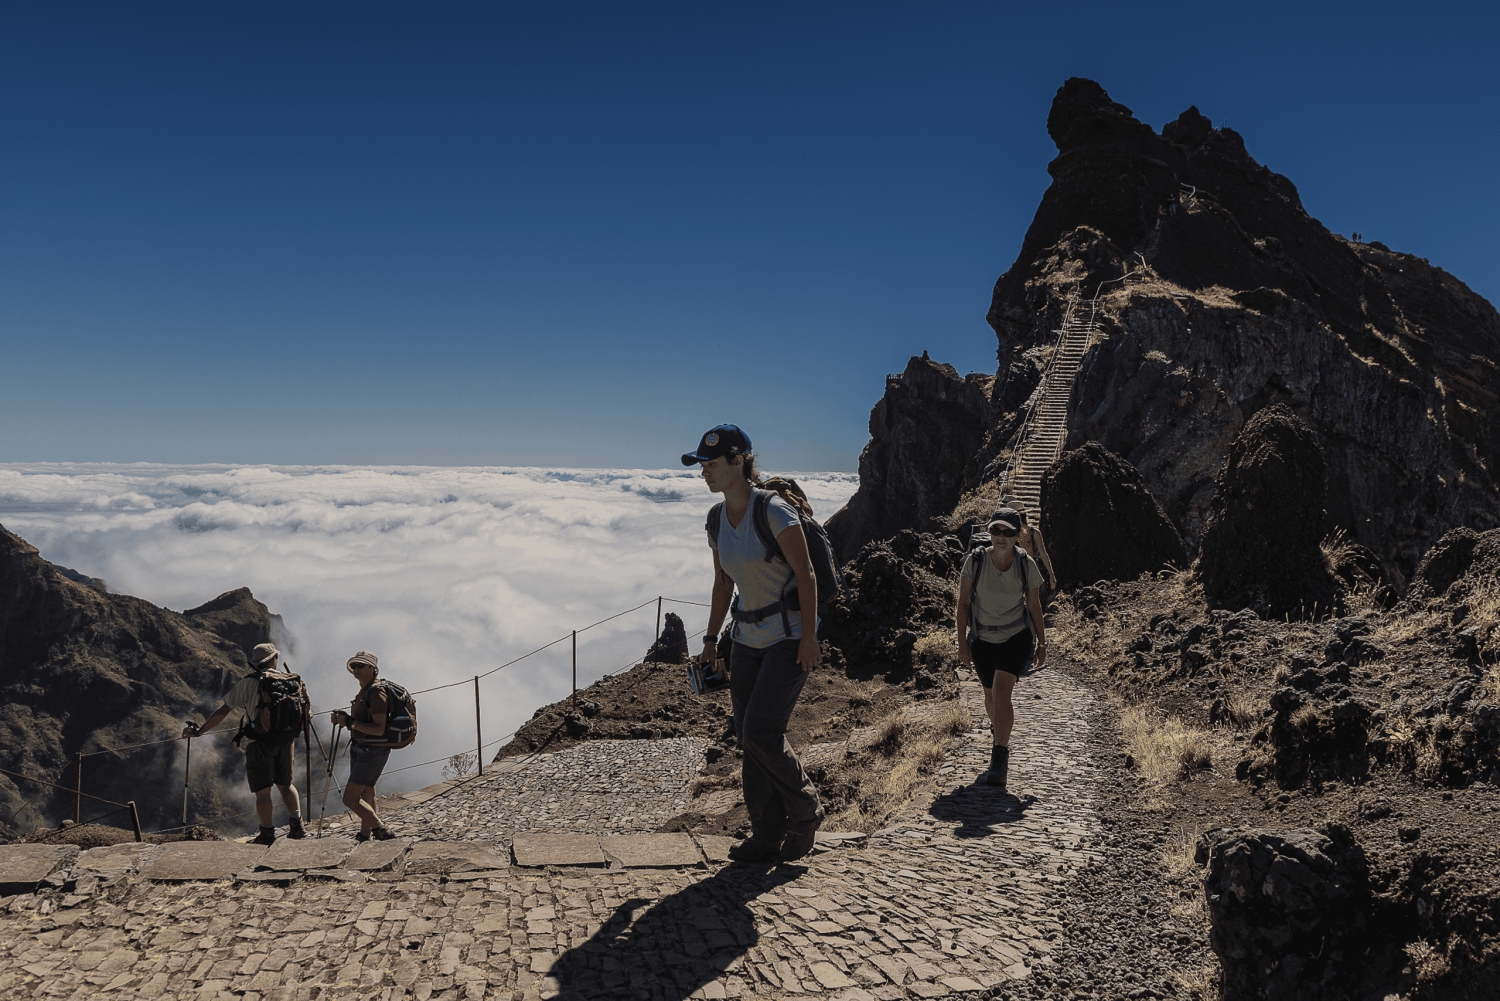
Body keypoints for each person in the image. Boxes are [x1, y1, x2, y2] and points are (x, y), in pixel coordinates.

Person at [685, 424, 824, 864]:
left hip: (787, 637)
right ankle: (766, 834)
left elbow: (806, 574)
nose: (704, 471)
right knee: (749, 739)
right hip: (745, 639)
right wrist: (711, 640)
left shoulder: (774, 511)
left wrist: (809, 637)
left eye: (711, 463)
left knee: (762, 733)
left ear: (738, 461)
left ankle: (805, 812)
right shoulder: (716, 519)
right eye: (701, 464)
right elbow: (722, 582)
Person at [955, 509, 1046, 793]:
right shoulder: (975, 561)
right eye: (996, 530)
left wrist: (1042, 643)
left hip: (1016, 636)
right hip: (982, 638)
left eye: (1008, 532)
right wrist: (961, 643)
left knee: (1002, 690)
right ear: (990, 532)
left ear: (1019, 535)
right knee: (990, 696)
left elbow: (1034, 605)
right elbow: (963, 604)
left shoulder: (1025, 564)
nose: (1001, 537)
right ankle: (1000, 732)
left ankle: (999, 757)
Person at [182, 642, 306, 845]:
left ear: (255, 663)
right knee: (286, 785)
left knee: (263, 791)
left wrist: (199, 732)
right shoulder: (291, 680)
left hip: (260, 743)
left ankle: (267, 833)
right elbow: (305, 712)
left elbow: (224, 710)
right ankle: (297, 826)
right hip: (286, 741)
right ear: (274, 659)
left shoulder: (249, 683)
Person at [329, 650, 397, 842]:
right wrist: (346, 720)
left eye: (361, 665)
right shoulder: (366, 690)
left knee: (350, 799)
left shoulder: (376, 693)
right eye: (354, 665)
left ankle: (380, 829)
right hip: (364, 748)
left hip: (371, 750)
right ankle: (365, 834)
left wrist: (349, 722)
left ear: (372, 668)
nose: (356, 669)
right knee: (367, 791)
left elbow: (379, 728)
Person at [1000, 493, 1058, 592]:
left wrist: (1051, 575)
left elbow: (1043, 554)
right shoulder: (1005, 534)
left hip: (1030, 570)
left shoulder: (1034, 533)